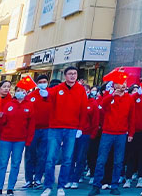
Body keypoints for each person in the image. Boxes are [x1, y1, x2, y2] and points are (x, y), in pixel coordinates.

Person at [41, 68, 89, 196]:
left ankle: (61, 186)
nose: (72, 76)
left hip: (72, 129)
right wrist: (44, 93)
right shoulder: (58, 88)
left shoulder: (80, 90)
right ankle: (48, 186)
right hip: (55, 128)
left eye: (75, 74)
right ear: (65, 75)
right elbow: (48, 95)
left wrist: (80, 128)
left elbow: (84, 109)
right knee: (51, 158)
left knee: (67, 159)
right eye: (70, 74)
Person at [88, 81, 132, 196]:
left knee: (118, 161)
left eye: (124, 83)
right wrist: (112, 95)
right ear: (115, 85)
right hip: (107, 132)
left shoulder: (129, 98)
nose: (122, 86)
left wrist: (131, 133)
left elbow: (132, 117)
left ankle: (114, 186)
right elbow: (101, 106)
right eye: (120, 83)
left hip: (121, 134)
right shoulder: (109, 95)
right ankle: (96, 185)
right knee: (101, 160)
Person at [0, 82, 35, 196]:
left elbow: (31, 125)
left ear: (26, 92)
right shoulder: (8, 104)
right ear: (15, 92)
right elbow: (2, 122)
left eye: (23, 91)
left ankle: (10, 188)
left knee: (15, 164)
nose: (20, 93)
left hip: (20, 140)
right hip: (6, 139)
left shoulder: (29, 105)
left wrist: (28, 140)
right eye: (18, 91)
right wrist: (1, 117)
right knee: (2, 163)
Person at [23, 75, 52, 190]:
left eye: (44, 81)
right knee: (30, 154)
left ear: (48, 82)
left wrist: (47, 97)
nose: (42, 83)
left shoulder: (51, 95)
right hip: (32, 130)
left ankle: (38, 178)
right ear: (37, 83)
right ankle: (29, 179)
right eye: (40, 82)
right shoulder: (31, 96)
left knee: (42, 155)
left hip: (47, 129)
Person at [125, 78, 142, 188]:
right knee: (131, 155)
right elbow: (129, 100)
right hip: (134, 130)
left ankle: (141, 178)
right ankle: (128, 178)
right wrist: (137, 94)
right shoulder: (135, 96)